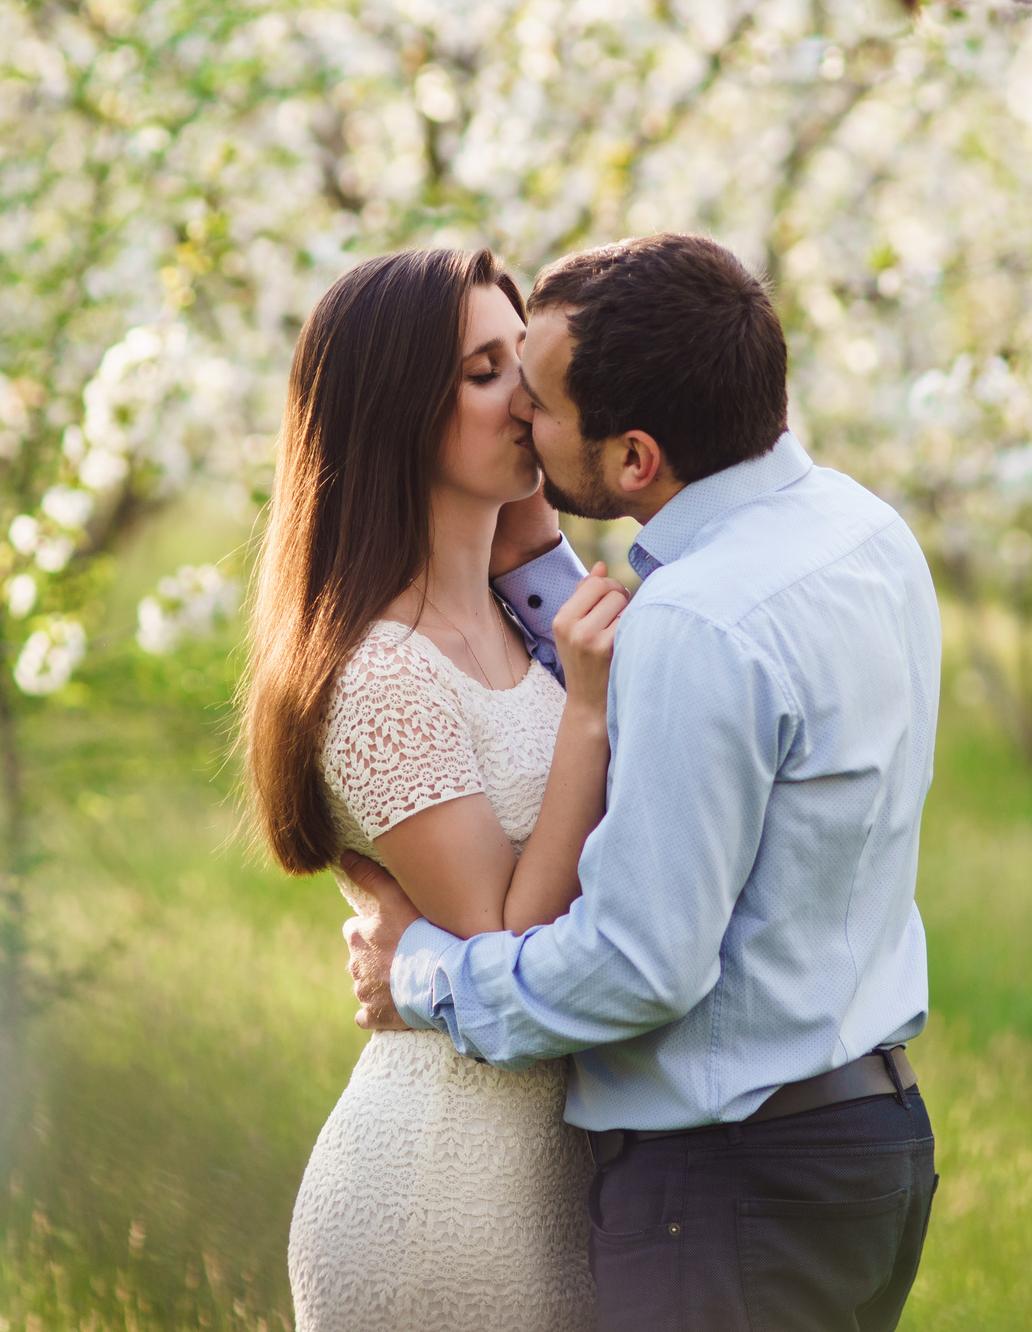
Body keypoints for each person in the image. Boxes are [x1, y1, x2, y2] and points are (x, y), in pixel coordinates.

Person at [339, 232, 945, 1332]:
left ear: (632, 462)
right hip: (871, 1147)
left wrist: (422, 970)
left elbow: (634, 969)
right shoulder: (862, 531)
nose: (519, 412)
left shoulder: (698, 624)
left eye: (537, 396)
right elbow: (674, 681)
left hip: (730, 1191)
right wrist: (532, 561)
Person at [243, 246, 630, 1330]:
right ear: (395, 414)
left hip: (549, 1186)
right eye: (484, 371)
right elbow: (502, 941)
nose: (532, 395)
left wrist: (538, 553)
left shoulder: (516, 619)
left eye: (528, 359)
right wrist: (589, 713)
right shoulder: (379, 672)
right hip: (442, 1201)